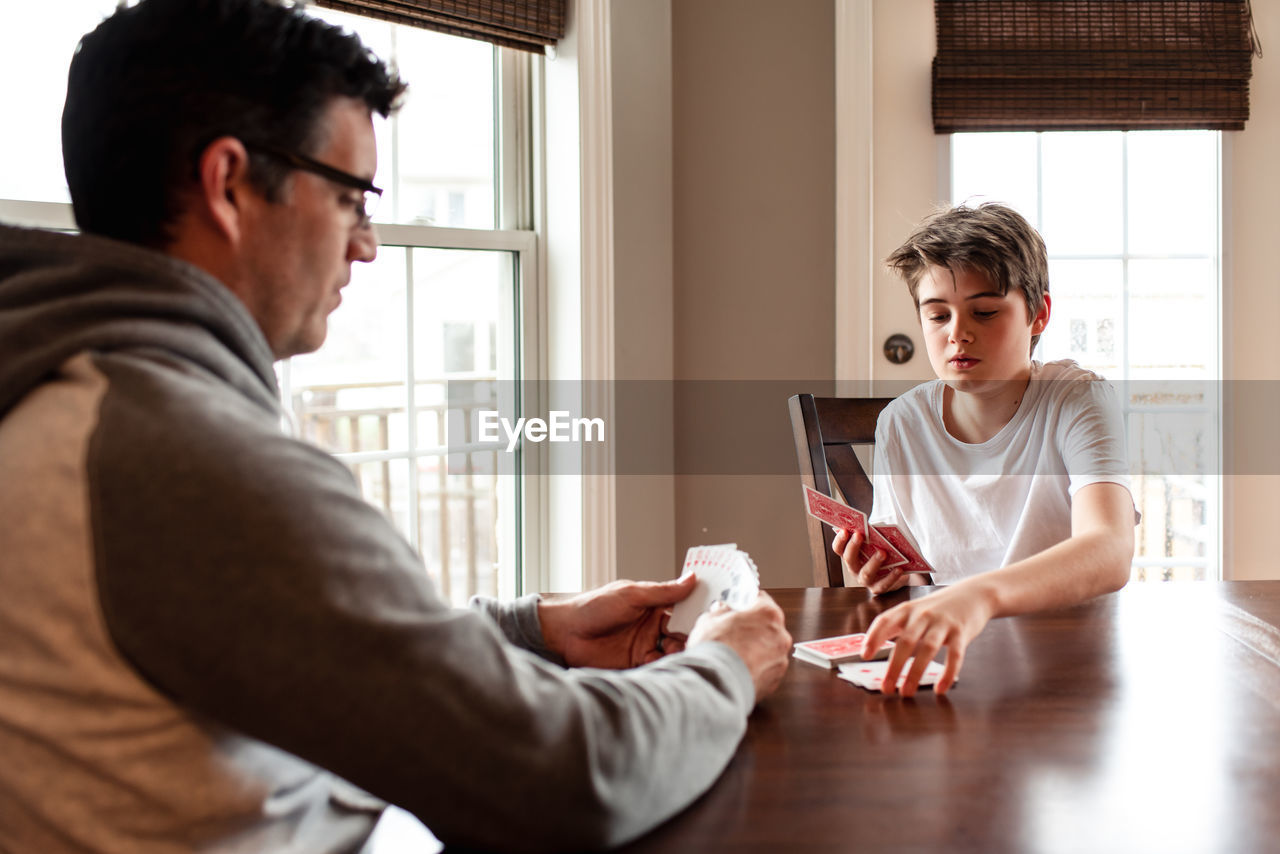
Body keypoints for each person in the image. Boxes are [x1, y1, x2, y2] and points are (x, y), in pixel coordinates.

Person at [0, 1, 792, 851]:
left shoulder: (64, 391)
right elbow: (564, 775)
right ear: (228, 184)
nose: (367, 246)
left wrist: (531, 632)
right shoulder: (176, 453)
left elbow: (259, 640)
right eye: (350, 197)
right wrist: (726, 668)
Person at [831, 203, 1135, 697]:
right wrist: (886, 572)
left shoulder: (1077, 399)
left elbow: (1110, 549)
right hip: (955, 664)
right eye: (937, 315)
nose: (957, 333)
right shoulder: (901, 423)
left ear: (1039, 315)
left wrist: (978, 597)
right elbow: (912, 573)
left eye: (985, 312)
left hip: (1069, 662)